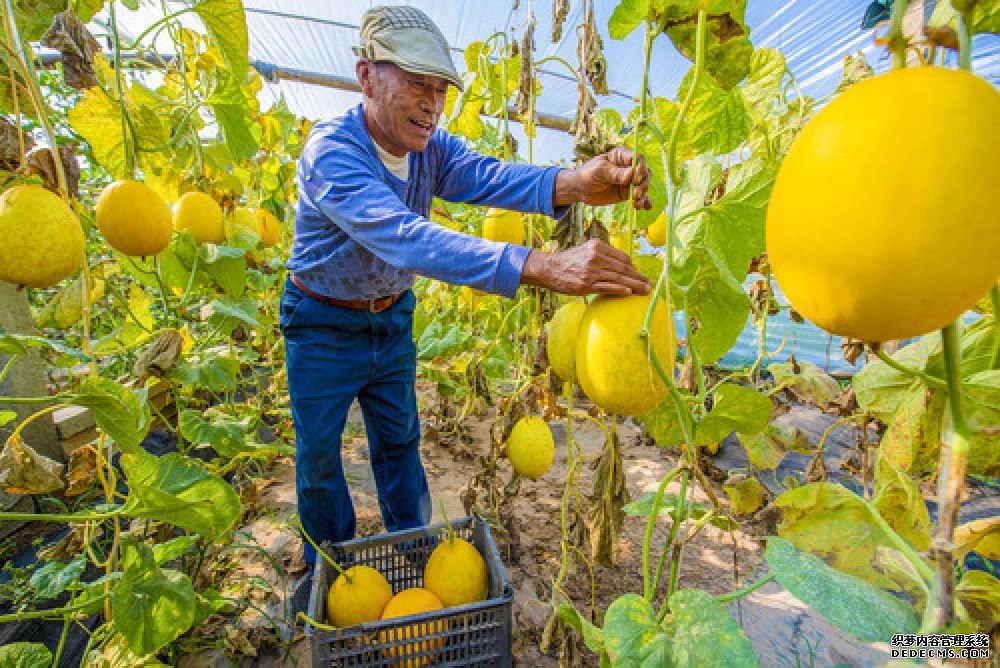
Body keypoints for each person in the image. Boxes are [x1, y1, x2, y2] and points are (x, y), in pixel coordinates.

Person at [281, 5, 653, 569]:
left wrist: (579, 182)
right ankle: (332, 569)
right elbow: (406, 238)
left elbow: (490, 175)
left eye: (441, 90)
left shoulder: (431, 148)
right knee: (318, 460)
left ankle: (411, 551)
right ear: (366, 76)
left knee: (401, 441)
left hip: (391, 317)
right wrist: (545, 266)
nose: (432, 104)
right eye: (416, 85)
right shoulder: (332, 153)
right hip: (321, 325)